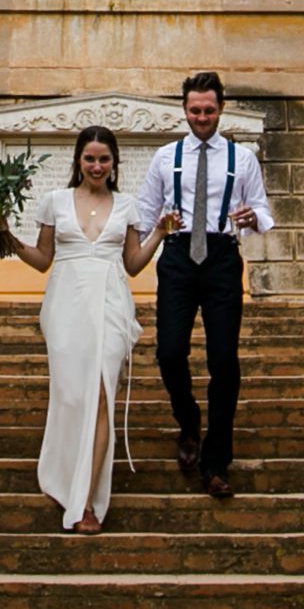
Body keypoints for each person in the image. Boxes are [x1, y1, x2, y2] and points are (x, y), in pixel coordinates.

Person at [0, 125, 178, 533]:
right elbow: (42, 259)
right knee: (71, 395)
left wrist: (160, 234)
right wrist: (4, 234)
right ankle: (62, 478)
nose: (97, 165)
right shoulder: (55, 201)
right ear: (78, 160)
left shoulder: (128, 205)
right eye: (90, 158)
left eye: (104, 159)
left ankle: (87, 503)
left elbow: (132, 264)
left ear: (115, 163)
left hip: (111, 300)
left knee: (101, 394)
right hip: (65, 304)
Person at [128, 71, 275, 499]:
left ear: (221, 108)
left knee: (224, 361)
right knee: (170, 352)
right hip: (177, 257)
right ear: (185, 110)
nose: (202, 117)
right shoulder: (165, 157)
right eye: (195, 110)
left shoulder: (241, 158)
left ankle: (216, 462)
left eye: (209, 110)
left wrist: (253, 221)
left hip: (222, 258)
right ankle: (188, 419)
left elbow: (263, 211)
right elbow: (144, 211)